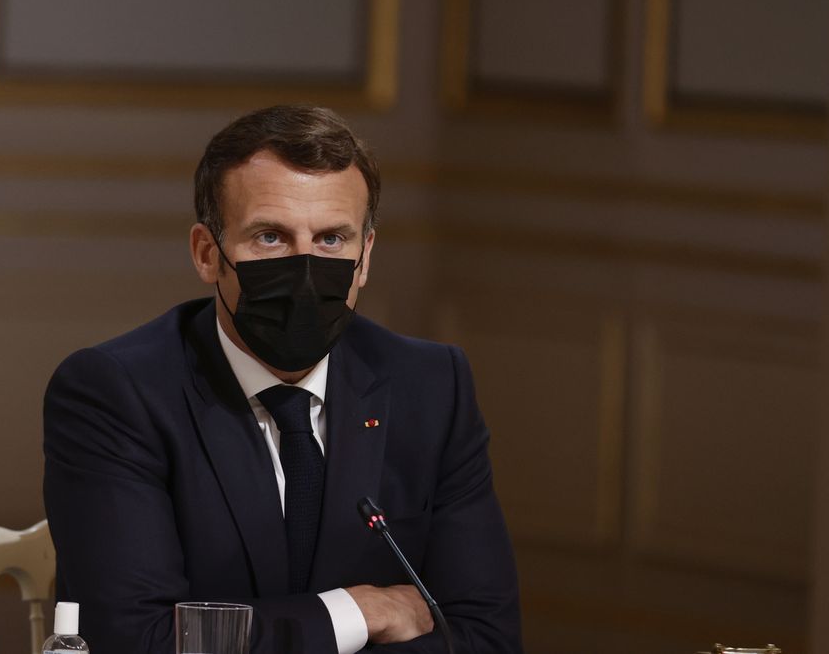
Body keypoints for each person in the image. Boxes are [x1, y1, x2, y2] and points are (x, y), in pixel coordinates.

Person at [43, 105, 522, 653]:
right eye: (270, 238)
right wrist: (356, 613)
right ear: (207, 253)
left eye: (331, 240)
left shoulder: (432, 385)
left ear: (365, 258)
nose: (304, 269)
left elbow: (487, 640)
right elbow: (135, 641)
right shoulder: (116, 393)